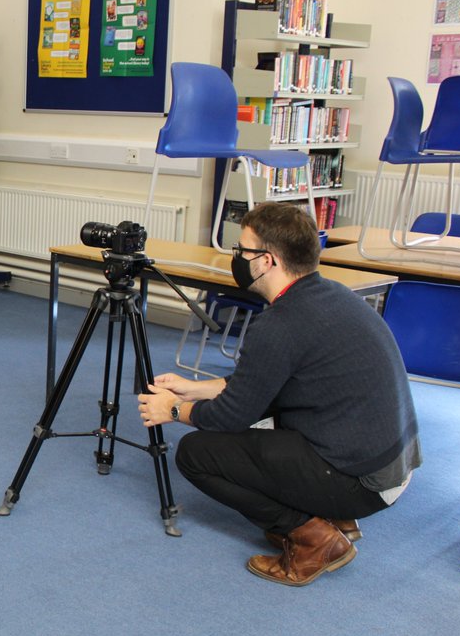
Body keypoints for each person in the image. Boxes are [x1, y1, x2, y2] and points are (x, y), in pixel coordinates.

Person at [137, 203, 421, 587]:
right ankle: (333, 518)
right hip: (387, 465)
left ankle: (313, 539)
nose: (235, 258)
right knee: (259, 419)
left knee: (196, 453)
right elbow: (262, 383)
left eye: (242, 250)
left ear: (267, 260)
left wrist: (172, 408)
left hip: (362, 483)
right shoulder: (329, 295)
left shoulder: (281, 324)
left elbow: (229, 417)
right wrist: (195, 387)